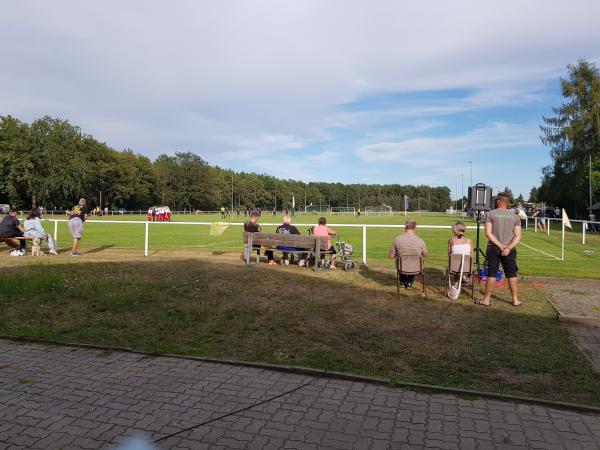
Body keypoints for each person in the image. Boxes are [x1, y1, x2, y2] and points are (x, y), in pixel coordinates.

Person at [477, 192, 522, 307]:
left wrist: (500, 245)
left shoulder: (490, 214)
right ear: (507, 202)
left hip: (493, 248)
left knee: (491, 274)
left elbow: (488, 233)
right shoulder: (515, 217)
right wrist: (508, 247)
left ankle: (486, 300)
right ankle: (515, 300)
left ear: (498, 201)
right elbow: (518, 236)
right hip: (509, 250)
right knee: (512, 275)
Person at [388, 220, 428, 288]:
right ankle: (409, 282)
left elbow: (391, 256)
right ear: (415, 228)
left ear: (405, 227)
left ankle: (403, 281)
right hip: (416, 268)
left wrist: (397, 253)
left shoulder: (397, 239)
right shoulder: (420, 241)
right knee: (413, 262)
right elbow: (425, 255)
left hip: (402, 267)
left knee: (402, 261)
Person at [447, 221, 473, 288]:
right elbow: (471, 256)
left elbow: (449, 255)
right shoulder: (470, 241)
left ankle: (456, 284)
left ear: (455, 230)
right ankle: (461, 279)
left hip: (454, 268)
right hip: (467, 268)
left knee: (455, 262)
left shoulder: (451, 240)